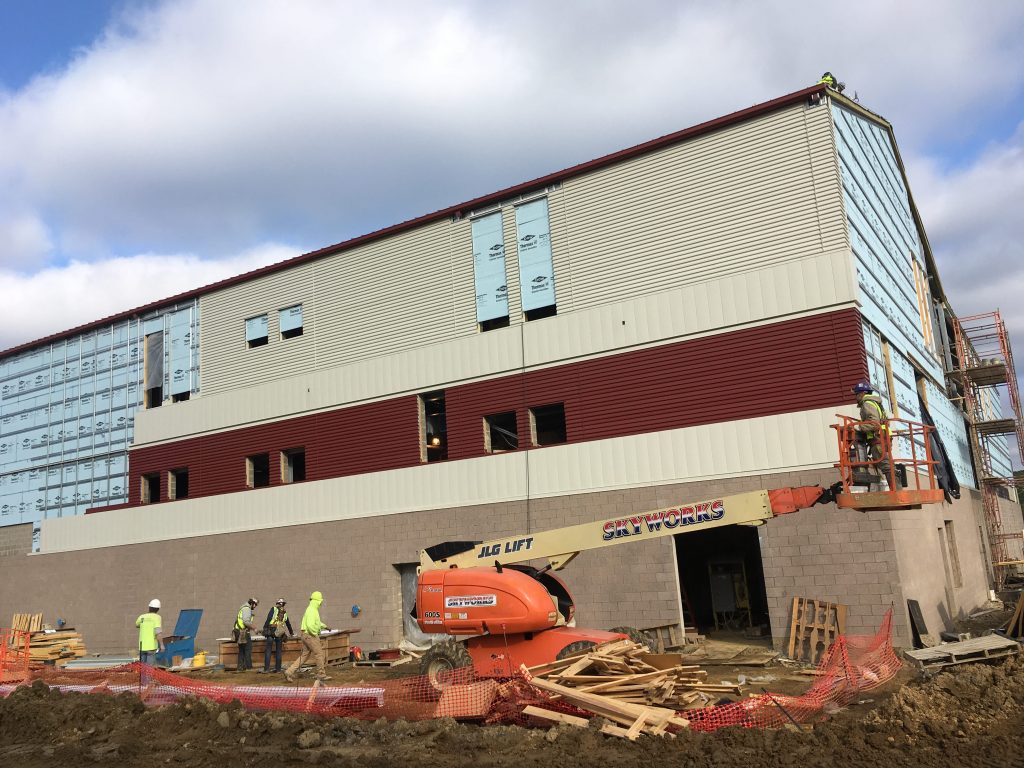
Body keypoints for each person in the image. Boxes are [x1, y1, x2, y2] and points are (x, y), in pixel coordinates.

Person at [284, 590, 332, 683]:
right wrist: (315, 634)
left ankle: (289, 671)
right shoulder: (312, 610)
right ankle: (321, 674)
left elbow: (316, 622)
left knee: (304, 656)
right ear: (318, 601)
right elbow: (310, 625)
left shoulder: (311, 609)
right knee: (319, 654)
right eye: (320, 601)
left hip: (305, 635)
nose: (321, 603)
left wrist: (325, 626)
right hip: (310, 635)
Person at [852, 381, 892, 490]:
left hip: (878, 438)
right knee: (883, 464)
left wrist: (860, 427)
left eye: (857, 394)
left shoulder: (867, 403)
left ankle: (895, 490)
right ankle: (892, 488)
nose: (856, 397)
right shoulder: (876, 403)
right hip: (883, 437)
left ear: (863, 393)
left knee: (885, 465)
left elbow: (874, 423)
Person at [261, 598, 294, 673]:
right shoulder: (285, 613)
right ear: (283, 604)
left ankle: (266, 669)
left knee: (268, 649)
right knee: (278, 650)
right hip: (279, 632)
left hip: (271, 631)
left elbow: (269, 618)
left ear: (277, 603)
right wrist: (291, 632)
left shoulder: (273, 609)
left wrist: (264, 628)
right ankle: (278, 669)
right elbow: (288, 623)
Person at [234, 597, 259, 671]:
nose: (255, 606)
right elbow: (246, 621)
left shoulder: (243, 608)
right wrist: (254, 628)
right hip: (243, 632)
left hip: (239, 631)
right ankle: (249, 667)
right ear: (252, 603)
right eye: (255, 605)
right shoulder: (247, 609)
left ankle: (240, 668)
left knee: (242, 650)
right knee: (248, 648)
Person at [135, 598, 163, 665]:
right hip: (151, 647)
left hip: (142, 646)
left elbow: (137, 625)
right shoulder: (157, 617)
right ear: (158, 609)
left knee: (142, 667)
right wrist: (162, 645)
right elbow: (158, 632)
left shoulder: (142, 617)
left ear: (149, 607)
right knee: (149, 668)